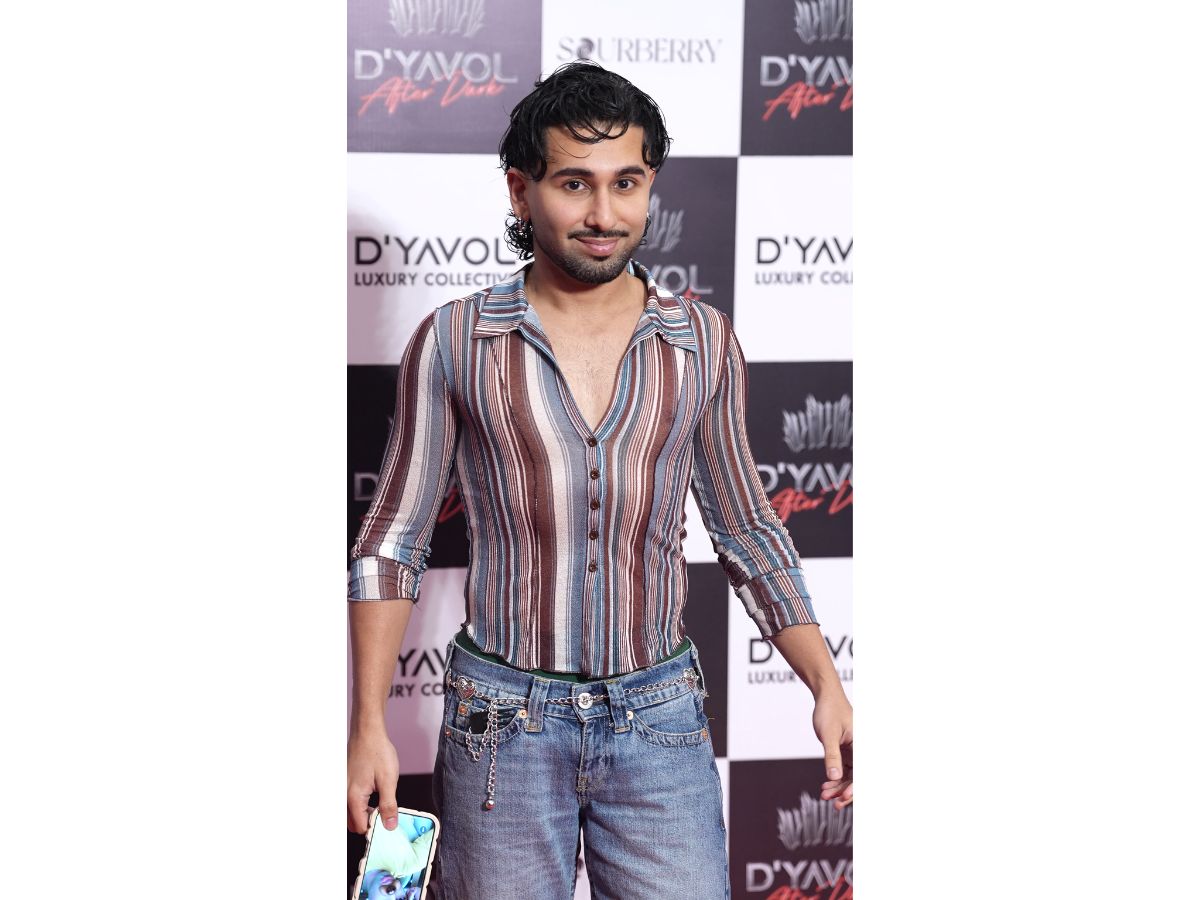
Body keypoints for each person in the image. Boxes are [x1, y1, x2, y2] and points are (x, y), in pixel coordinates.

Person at [347, 61, 853, 899]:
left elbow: (746, 529)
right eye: (574, 183)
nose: (604, 214)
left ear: (650, 186)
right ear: (521, 191)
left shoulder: (702, 342)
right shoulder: (454, 341)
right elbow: (392, 541)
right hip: (499, 725)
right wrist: (368, 722)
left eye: (627, 183)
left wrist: (826, 682)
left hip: (660, 722)